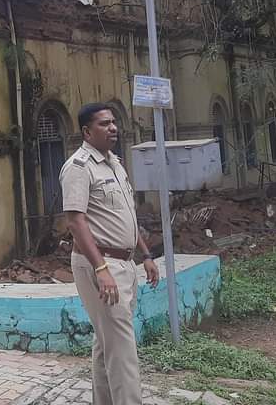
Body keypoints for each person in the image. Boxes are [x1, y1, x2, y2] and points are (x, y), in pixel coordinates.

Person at [61, 102, 160, 405]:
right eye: (104, 124)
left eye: (113, 122)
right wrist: (101, 269)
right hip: (100, 265)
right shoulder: (78, 167)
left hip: (124, 262)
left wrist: (145, 255)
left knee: (107, 343)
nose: (113, 127)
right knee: (122, 347)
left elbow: (127, 214)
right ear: (87, 131)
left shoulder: (114, 163)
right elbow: (76, 221)